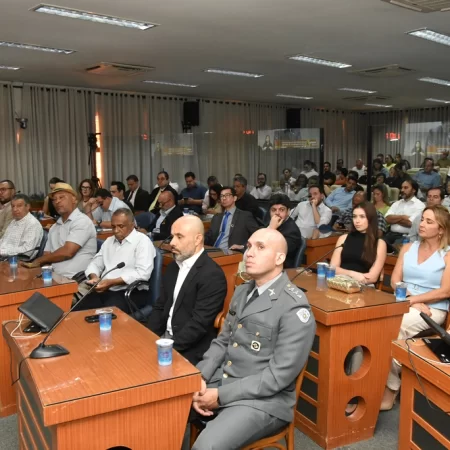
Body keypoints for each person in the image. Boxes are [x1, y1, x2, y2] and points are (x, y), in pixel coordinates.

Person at [190, 228, 316, 450]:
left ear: (279, 258)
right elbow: (223, 341)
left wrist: (220, 395)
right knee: (163, 407)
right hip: (223, 379)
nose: (249, 253)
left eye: (260, 247)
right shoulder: (242, 292)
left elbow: (277, 377)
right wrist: (200, 375)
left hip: (264, 400)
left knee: (206, 447)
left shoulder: (293, 308)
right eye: (248, 246)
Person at [381, 205, 450, 411]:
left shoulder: (447, 254)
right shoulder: (408, 248)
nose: (421, 224)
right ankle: (368, 383)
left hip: (432, 309)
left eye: (429, 221)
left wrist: (414, 300)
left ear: (441, 229)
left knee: (396, 328)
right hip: (405, 301)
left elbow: (445, 291)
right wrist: (412, 300)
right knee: (372, 324)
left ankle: (391, 389)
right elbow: (395, 280)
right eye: (422, 219)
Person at [147, 216, 227, 365]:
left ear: (197, 239)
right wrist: (148, 338)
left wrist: (166, 348)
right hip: (164, 338)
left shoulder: (212, 275)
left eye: (179, 237)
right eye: (172, 236)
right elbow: (160, 306)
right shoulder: (173, 266)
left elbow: (198, 325)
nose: (172, 243)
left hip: (190, 347)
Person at [76, 209, 154, 313]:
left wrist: (112, 282)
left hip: (130, 292)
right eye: (113, 226)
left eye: (121, 226)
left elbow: (143, 273)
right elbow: (95, 263)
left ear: (132, 225)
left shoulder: (142, 241)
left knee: (102, 316)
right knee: (78, 312)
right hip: (105, 289)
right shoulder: (109, 241)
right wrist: (94, 277)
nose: (116, 230)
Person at [20, 183, 97, 279]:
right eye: (54, 199)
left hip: (76, 279)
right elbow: (47, 254)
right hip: (53, 277)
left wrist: (38, 261)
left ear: (74, 199)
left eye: (61, 197)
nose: (57, 201)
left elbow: (68, 252)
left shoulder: (82, 221)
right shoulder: (54, 227)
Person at [330, 202, 387, 285]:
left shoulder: (380, 244)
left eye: (362, 217)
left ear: (371, 219)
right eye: (354, 216)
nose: (357, 221)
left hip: (364, 286)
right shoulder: (343, 238)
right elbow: (333, 268)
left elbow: (372, 277)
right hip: (340, 282)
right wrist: (352, 274)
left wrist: (351, 278)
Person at [204, 186, 259, 252]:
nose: (224, 198)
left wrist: (243, 246)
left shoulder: (245, 216)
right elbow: (209, 237)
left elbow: (258, 235)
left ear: (234, 198)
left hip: (231, 253)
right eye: (221, 196)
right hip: (213, 251)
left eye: (227, 195)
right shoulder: (216, 217)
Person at [0, 194, 43, 260]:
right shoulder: (14, 221)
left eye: (19, 206)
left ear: (28, 206)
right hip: (4, 256)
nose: (15, 209)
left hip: (17, 260)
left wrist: (3, 252)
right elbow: (4, 240)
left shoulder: (32, 224)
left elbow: (27, 250)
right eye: (13, 206)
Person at [385, 180, 425, 245]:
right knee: (377, 244)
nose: (402, 190)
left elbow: (410, 223)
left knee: (395, 246)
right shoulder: (397, 203)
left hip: (406, 236)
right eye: (402, 187)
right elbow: (387, 219)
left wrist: (394, 220)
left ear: (413, 190)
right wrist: (403, 217)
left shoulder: (419, 205)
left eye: (406, 188)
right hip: (390, 234)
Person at [267, 194, 302, 268]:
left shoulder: (292, 231)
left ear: (288, 212)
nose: (277, 213)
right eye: (273, 210)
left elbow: (275, 251)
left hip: (281, 268)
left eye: (281, 210)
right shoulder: (272, 223)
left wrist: (271, 229)